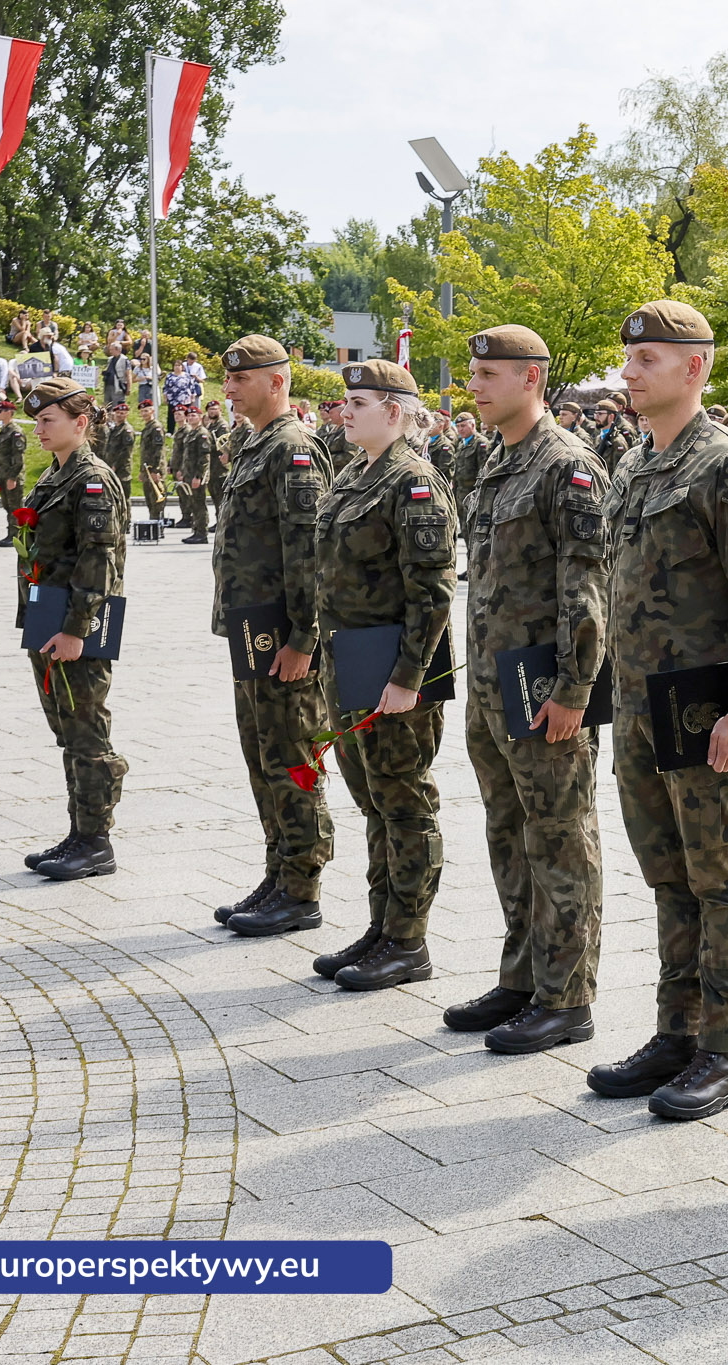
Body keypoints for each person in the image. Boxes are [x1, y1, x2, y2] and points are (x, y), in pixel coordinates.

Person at [586, 301, 728, 1120]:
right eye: (628, 359)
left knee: (720, 881)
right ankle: (677, 1031)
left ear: (695, 367)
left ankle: (725, 1052)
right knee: (667, 878)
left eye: (647, 361)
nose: (629, 373)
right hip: (640, 705)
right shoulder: (636, 464)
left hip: (704, 706)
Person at [440, 326, 613, 1054]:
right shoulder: (496, 461)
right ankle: (522, 976)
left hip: (546, 687)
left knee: (560, 838)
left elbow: (585, 587)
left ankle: (566, 996)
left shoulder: (566, 466)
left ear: (531, 380)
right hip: (493, 683)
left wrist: (576, 687)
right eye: (474, 373)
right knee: (509, 834)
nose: (474, 384)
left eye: (489, 373)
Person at [312, 359, 458, 989]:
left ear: (395, 411)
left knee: (404, 801)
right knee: (374, 801)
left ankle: (408, 940)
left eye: (360, 402)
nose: (346, 411)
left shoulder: (413, 482)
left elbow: (432, 591)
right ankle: (381, 926)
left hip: (394, 669)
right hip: (350, 659)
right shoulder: (354, 476)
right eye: (346, 402)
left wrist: (408, 678)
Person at [206, 335, 337, 940]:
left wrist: (304, 638)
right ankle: (278, 870)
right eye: (227, 378)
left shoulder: (294, 448)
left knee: (294, 756)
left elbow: (307, 549)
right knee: (263, 755)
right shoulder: (253, 442)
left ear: (276, 381)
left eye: (241, 377)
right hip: (251, 630)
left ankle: (302, 885)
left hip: (283, 637)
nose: (228, 386)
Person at [13, 377, 132, 881]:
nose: (37, 428)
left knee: (87, 729)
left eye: (47, 420)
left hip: (74, 623)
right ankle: (78, 832)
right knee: (67, 728)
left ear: (80, 424)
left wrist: (77, 628)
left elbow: (98, 560)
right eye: (36, 420)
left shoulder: (93, 480)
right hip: (47, 616)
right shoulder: (55, 476)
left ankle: (95, 841)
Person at [171, 405, 212, 545]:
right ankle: (196, 530)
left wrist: (198, 476)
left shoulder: (202, 433)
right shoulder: (191, 433)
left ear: (200, 417)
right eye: (188, 416)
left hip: (196, 475)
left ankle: (202, 533)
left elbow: (204, 457)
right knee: (194, 503)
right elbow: (186, 456)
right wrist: (182, 471)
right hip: (189, 474)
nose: (190, 418)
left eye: (194, 415)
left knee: (199, 504)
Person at [0, 400, 27, 546]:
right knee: (8, 506)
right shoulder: (5, 430)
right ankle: (11, 535)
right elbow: (3, 453)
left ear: (8, 413)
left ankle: (17, 537)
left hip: (12, 476)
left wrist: (13, 477)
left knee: (15, 507)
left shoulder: (15, 432)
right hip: (3, 474)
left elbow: (18, 457)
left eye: (0, 411)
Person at [137, 399, 168, 523]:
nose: (144, 413)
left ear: (152, 411)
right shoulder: (148, 427)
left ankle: (157, 525)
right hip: (147, 469)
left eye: (146, 410)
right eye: (142, 411)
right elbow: (145, 452)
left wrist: (156, 470)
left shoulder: (156, 427)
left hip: (154, 469)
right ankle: (153, 524)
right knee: (149, 499)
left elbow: (158, 450)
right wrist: (142, 471)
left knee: (156, 500)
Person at [97, 400, 135, 500]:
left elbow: (126, 451)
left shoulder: (127, 430)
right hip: (110, 467)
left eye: (122, 413)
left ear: (127, 415)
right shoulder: (114, 429)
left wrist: (115, 466)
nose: (119, 415)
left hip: (121, 469)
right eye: (117, 413)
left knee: (123, 498)